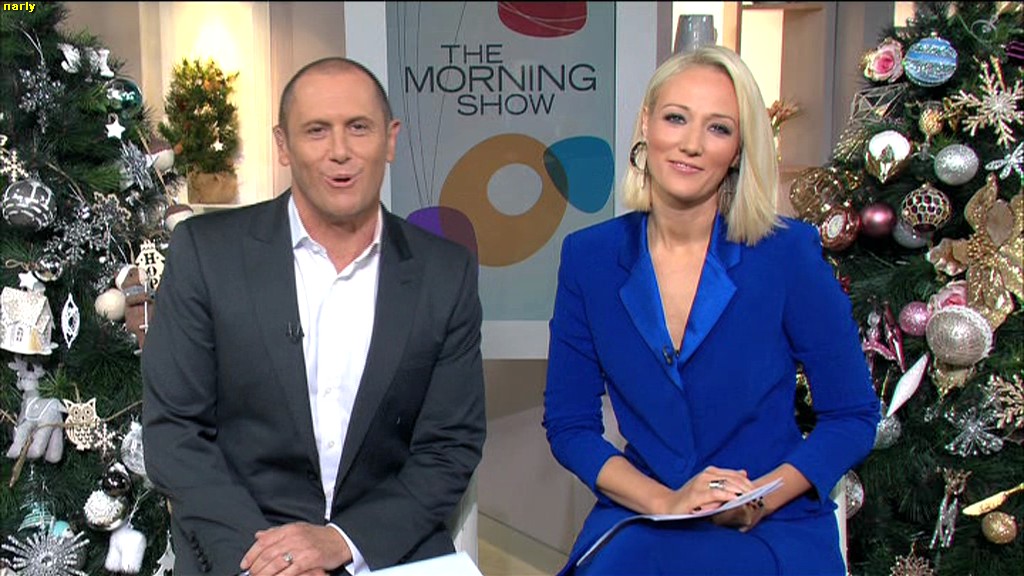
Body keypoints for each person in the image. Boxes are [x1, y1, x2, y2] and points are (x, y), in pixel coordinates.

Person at [142, 57, 486, 576]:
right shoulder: (206, 253)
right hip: (243, 549)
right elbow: (175, 434)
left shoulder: (445, 272)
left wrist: (342, 541)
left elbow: (450, 446)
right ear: (283, 145)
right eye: (317, 130)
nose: (339, 151)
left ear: (390, 140)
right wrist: (274, 561)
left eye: (359, 127)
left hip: (382, 551)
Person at [543, 45, 880, 575]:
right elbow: (570, 426)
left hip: (769, 521)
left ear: (739, 150)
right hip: (646, 513)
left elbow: (852, 416)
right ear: (646, 124)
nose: (692, 144)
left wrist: (758, 499)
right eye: (676, 118)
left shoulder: (786, 253)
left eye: (718, 128)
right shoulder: (590, 258)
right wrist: (667, 502)